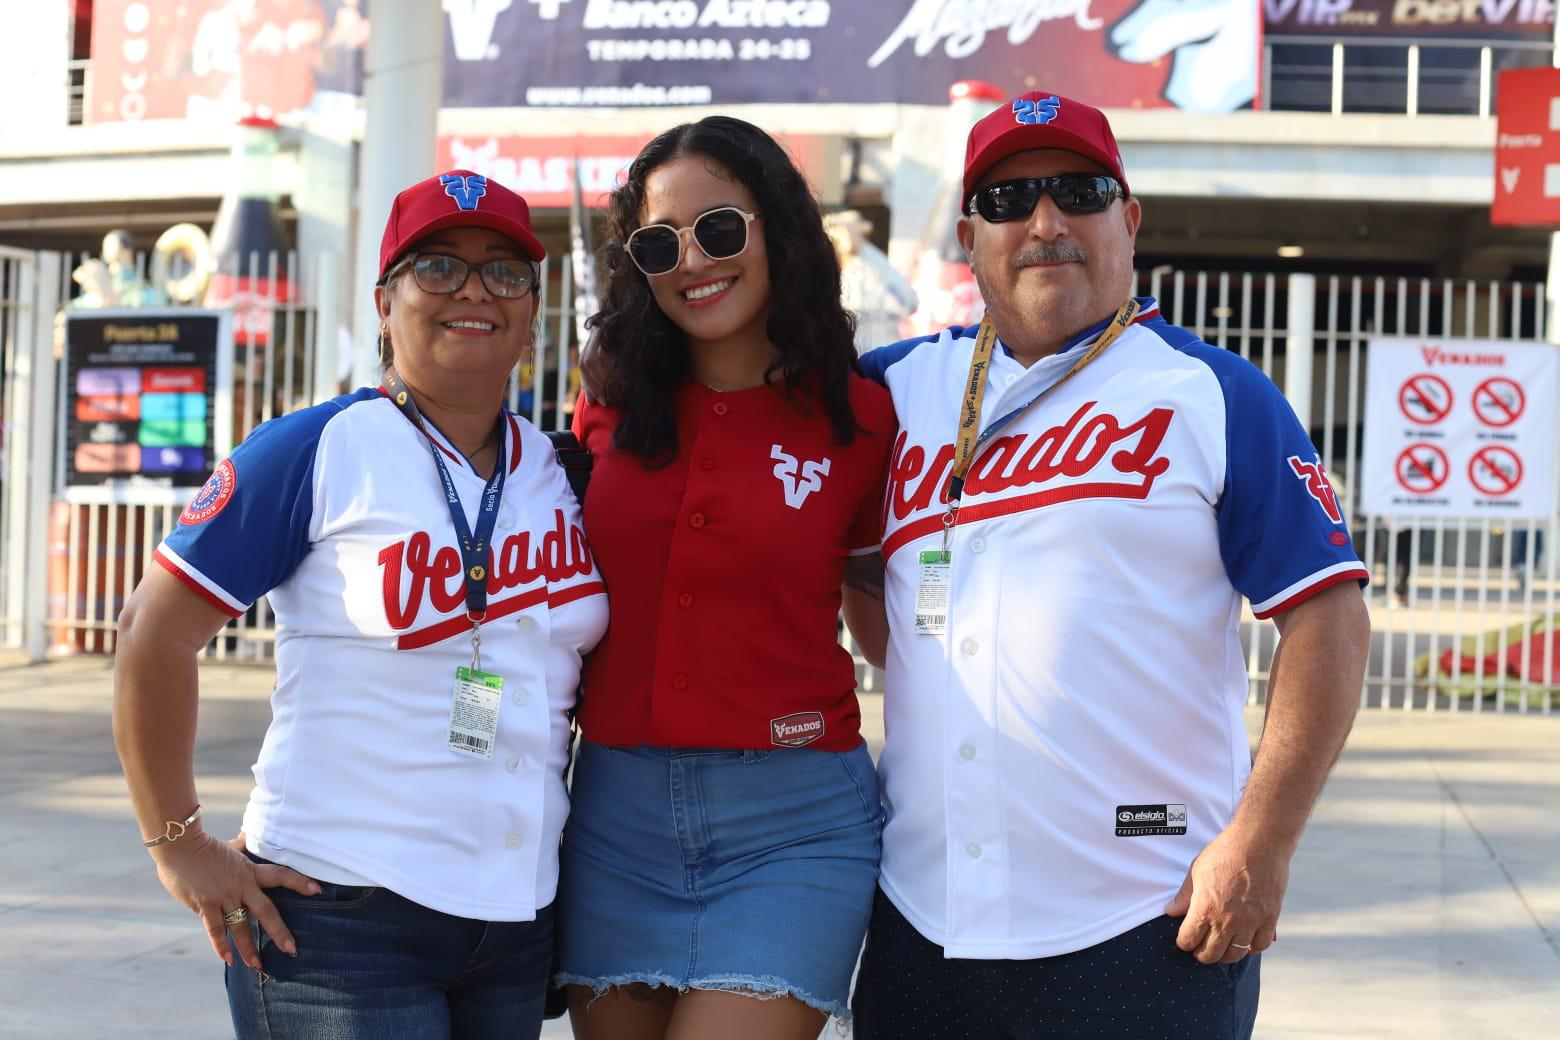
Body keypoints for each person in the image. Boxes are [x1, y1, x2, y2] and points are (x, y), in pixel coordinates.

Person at [846, 91, 1373, 1039]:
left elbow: (1327, 615)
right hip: (924, 924)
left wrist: (1263, 841)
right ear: (971, 237)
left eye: (1076, 192)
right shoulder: (891, 390)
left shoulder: (1210, 391)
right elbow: (843, 560)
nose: (1044, 222)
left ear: (1127, 220)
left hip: (1148, 920)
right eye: (1007, 203)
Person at [113, 169, 608, 1040]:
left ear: (533, 310)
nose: (473, 291)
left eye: (503, 271)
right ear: (385, 301)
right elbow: (151, 635)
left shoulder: (563, 472)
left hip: (517, 915)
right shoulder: (316, 447)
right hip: (339, 912)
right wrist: (178, 844)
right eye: (439, 267)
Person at [556, 116, 896, 1040]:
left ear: (776, 228)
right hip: (614, 822)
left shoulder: (863, 417)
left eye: (718, 229)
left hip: (794, 825)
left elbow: (885, 617)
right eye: (661, 242)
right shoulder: (609, 399)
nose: (692, 262)